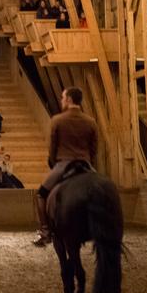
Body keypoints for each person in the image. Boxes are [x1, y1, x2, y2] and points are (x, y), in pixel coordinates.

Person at [34, 87, 98, 246]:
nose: (61, 100)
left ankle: (45, 231)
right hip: (86, 164)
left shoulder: (57, 120)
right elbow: (94, 148)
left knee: (41, 194)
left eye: (63, 98)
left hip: (64, 164)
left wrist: (53, 162)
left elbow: (52, 148)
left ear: (69, 99)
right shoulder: (91, 121)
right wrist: (89, 162)